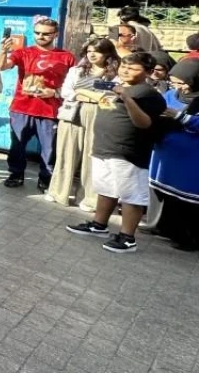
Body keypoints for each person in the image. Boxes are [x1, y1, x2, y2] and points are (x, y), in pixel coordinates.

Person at [66, 52, 168, 252]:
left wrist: (127, 99)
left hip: (128, 152)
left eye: (133, 68)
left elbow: (144, 123)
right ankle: (99, 225)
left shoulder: (148, 94)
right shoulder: (115, 85)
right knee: (106, 189)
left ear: (147, 72)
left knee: (131, 195)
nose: (126, 70)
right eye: (124, 66)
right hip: (104, 147)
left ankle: (128, 237)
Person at [0, 18, 77, 191]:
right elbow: (2, 66)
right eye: (38, 33)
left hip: (50, 111)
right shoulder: (23, 53)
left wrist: (55, 92)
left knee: (49, 150)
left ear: (55, 34)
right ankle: (16, 174)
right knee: (17, 146)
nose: (41, 36)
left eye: (46, 33)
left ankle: (46, 179)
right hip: (21, 108)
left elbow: (75, 85)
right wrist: (3, 51)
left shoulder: (67, 57)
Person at [47, 38, 119, 209]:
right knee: (66, 153)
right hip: (73, 113)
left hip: (100, 116)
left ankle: (89, 198)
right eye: (89, 51)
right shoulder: (76, 70)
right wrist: (90, 96)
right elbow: (66, 92)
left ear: (108, 54)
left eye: (97, 51)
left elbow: (111, 99)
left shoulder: (115, 74)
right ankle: (58, 191)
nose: (92, 54)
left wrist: (83, 93)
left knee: (92, 156)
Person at [150, 59, 199, 251]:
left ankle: (189, 238)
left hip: (191, 158)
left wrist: (180, 117)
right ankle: (165, 227)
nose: (179, 87)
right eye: (175, 82)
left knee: (187, 200)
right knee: (167, 194)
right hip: (167, 152)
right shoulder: (171, 94)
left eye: (183, 83)